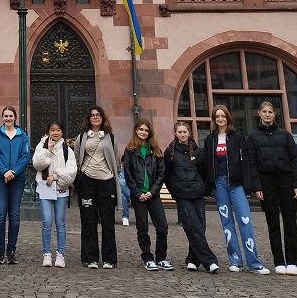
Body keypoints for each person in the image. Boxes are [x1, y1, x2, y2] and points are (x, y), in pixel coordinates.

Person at [202, 104, 271, 275]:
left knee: (245, 222)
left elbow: (247, 163)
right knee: (227, 223)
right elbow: (206, 165)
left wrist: (251, 186)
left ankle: (254, 263)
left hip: (236, 185)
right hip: (219, 185)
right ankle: (235, 260)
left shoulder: (238, 137)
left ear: (228, 118)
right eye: (217, 116)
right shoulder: (209, 140)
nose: (220, 119)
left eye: (223, 116)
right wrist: (208, 185)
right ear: (213, 119)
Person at [247, 101, 297, 275]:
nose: (267, 114)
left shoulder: (285, 135)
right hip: (266, 183)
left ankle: (292, 261)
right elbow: (252, 164)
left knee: (290, 222)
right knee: (272, 223)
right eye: (264, 111)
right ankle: (278, 261)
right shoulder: (253, 137)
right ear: (259, 113)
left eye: (270, 112)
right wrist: (256, 186)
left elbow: (295, 161)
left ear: (275, 114)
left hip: (286, 181)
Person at [164, 121, 219, 274]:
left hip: (197, 193)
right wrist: (174, 191)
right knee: (191, 225)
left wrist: (204, 189)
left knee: (200, 226)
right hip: (182, 194)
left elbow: (204, 171)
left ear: (189, 133)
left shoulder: (198, 151)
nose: (182, 134)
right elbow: (167, 175)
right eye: (179, 132)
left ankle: (192, 259)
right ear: (176, 133)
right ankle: (210, 261)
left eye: (185, 132)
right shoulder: (169, 152)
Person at [73, 105, 120, 269]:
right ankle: (90, 257)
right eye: (92, 115)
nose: (95, 117)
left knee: (108, 221)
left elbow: (116, 159)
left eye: (98, 115)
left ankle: (109, 259)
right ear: (88, 118)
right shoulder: (81, 137)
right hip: (87, 180)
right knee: (88, 220)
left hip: (106, 181)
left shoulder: (110, 137)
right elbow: (77, 157)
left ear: (102, 118)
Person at [121, 119, 171, 271]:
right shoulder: (130, 151)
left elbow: (162, 174)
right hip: (139, 196)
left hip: (153, 195)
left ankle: (161, 257)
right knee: (142, 228)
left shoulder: (155, 150)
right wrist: (137, 193)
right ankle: (147, 257)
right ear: (136, 131)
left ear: (149, 133)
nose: (143, 132)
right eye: (141, 129)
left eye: (146, 130)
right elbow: (128, 175)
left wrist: (152, 191)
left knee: (162, 226)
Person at [32, 120, 76, 268]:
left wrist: (56, 176)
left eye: (58, 130)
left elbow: (72, 171)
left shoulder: (67, 150)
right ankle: (46, 254)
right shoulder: (41, 146)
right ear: (48, 132)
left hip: (60, 189)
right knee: (46, 222)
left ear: (62, 132)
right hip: (45, 189)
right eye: (52, 130)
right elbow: (37, 165)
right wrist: (48, 150)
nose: (55, 133)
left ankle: (60, 254)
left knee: (60, 222)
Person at [0, 105, 29, 265]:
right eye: (5, 116)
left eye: (10, 116)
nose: (8, 118)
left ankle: (11, 250)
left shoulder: (22, 136)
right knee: (0, 214)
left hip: (17, 179)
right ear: (2, 117)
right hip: (0, 178)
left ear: (15, 117)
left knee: (14, 215)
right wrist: (5, 171)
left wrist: (13, 172)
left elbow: (25, 156)